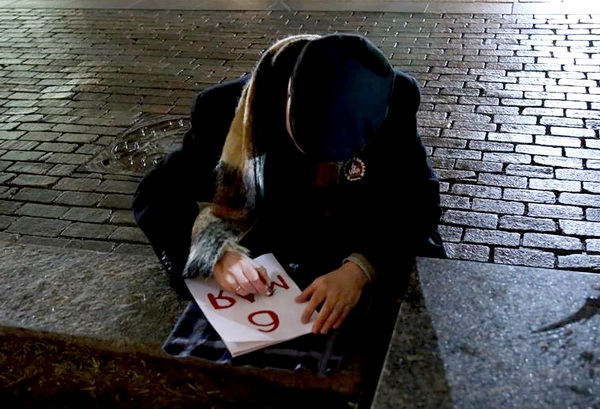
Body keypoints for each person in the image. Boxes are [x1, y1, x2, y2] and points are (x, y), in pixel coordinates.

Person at [133, 33, 446, 339]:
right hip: (272, 249)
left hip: (364, 233)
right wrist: (215, 253)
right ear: (286, 100)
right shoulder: (222, 109)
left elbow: (420, 200)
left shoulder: (395, 94)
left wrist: (359, 270)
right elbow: (156, 197)